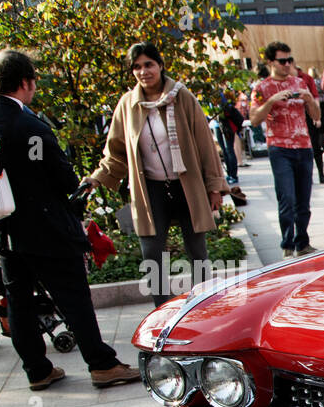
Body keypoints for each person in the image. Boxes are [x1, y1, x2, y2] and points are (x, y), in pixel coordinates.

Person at [0, 50, 138, 390]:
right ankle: (101, 364)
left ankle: (37, 370)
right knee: (73, 297)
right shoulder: (31, 125)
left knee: (19, 300)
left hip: (4, 230)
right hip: (46, 228)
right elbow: (60, 179)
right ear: (26, 82)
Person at [81, 42, 229, 307]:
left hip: (187, 187)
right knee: (151, 254)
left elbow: (205, 144)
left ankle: (205, 307)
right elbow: (116, 152)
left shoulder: (182, 97)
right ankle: (162, 310)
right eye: (136, 66)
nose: (143, 71)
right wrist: (97, 177)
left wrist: (214, 187)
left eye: (148, 64)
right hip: (151, 190)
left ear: (160, 65)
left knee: (197, 251)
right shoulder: (128, 105)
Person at [249, 41, 320, 258]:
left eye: (290, 60)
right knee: (287, 198)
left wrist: (309, 99)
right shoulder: (261, 87)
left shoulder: (299, 82)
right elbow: (254, 119)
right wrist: (271, 101)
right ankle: (287, 244)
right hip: (279, 148)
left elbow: (316, 116)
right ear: (270, 62)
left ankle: (303, 242)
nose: (287, 64)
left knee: (304, 200)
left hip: (304, 146)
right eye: (282, 61)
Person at [296, 64, 324, 184]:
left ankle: (321, 174)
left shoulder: (306, 78)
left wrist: (317, 117)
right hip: (294, 119)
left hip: (308, 115)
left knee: (315, 146)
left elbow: (315, 97)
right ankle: (306, 177)